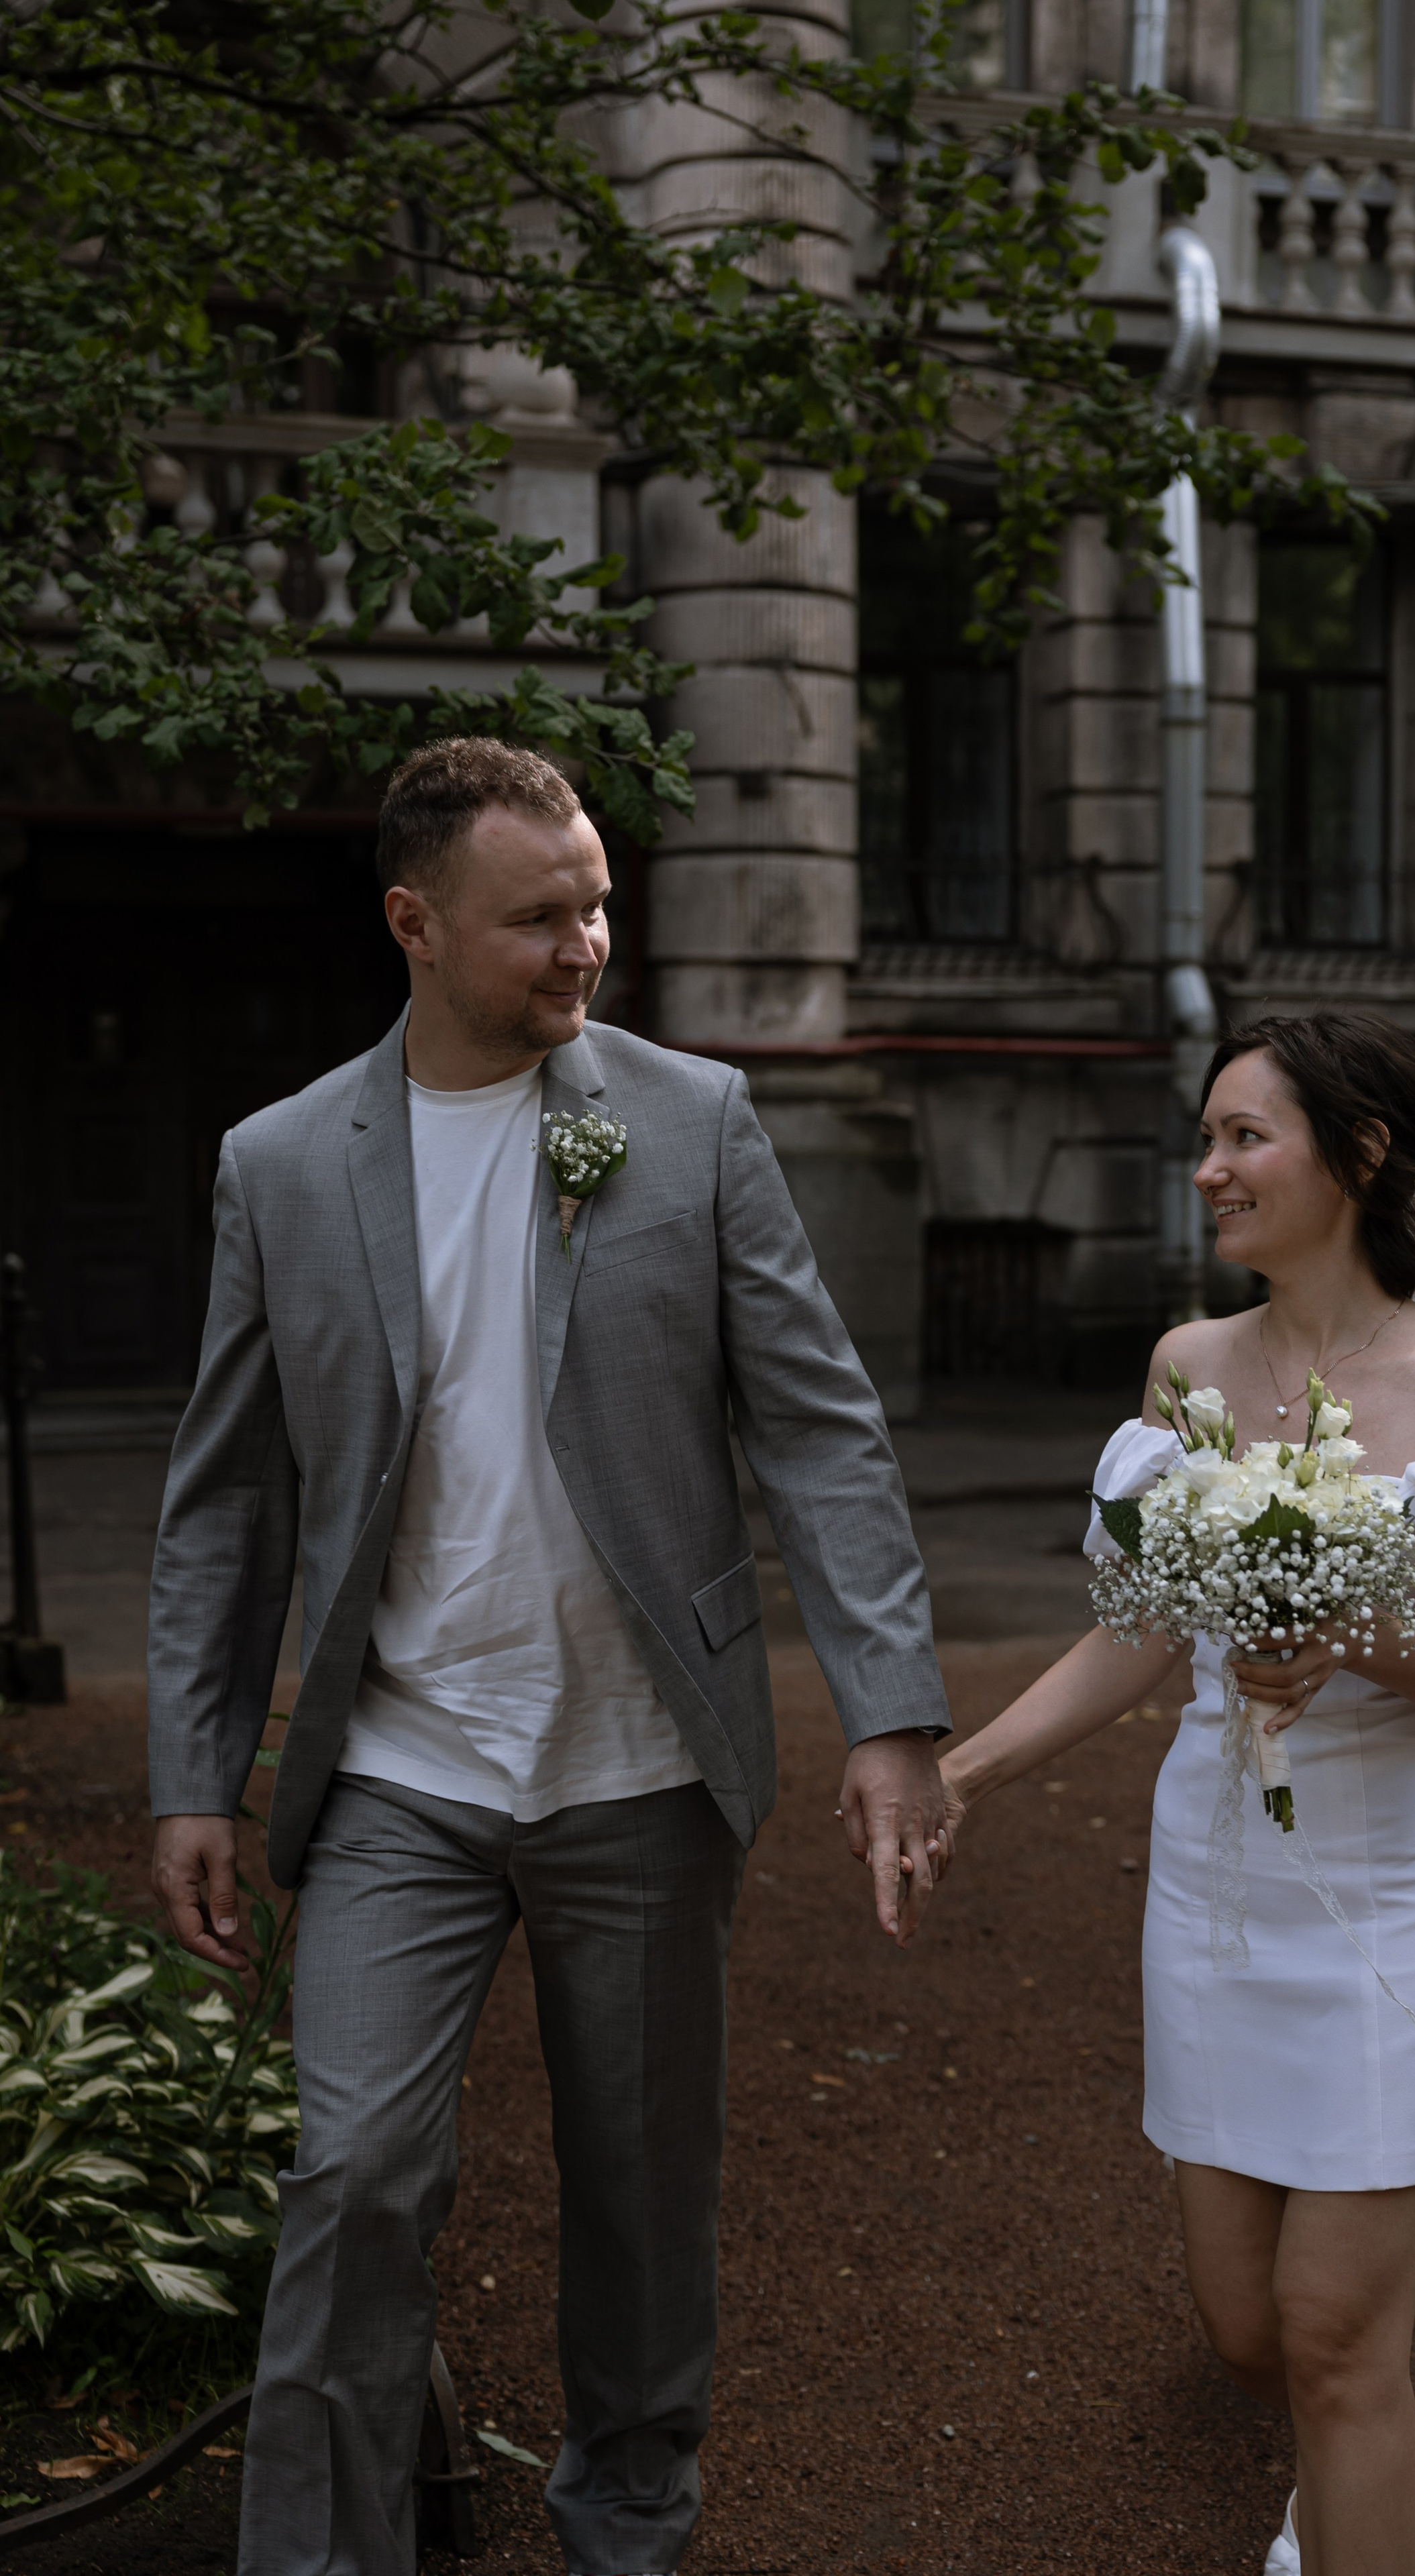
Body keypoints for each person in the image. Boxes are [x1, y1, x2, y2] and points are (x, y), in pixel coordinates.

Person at [147, 738, 951, 2576]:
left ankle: (626, 2531)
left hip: (642, 1770)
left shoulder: (692, 1122)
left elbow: (822, 1428)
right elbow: (221, 1503)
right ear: (414, 926)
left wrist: (893, 1715)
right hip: (399, 1776)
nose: (592, 941)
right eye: (543, 916)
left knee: (646, 2201)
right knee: (353, 2177)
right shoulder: (276, 1166)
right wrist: (195, 1772)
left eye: (599, 897)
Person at [931, 1011, 1415, 2576]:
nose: (1207, 1171)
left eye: (1244, 1137)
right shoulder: (1187, 1369)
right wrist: (961, 1772)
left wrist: (1371, 1638)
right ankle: (1330, 2481)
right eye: (1208, 1138)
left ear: (1358, 1156)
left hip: (1399, 1895)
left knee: (1329, 2340)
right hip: (1219, 1885)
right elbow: (1139, 1631)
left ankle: (1351, 2511)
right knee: (1245, 2333)